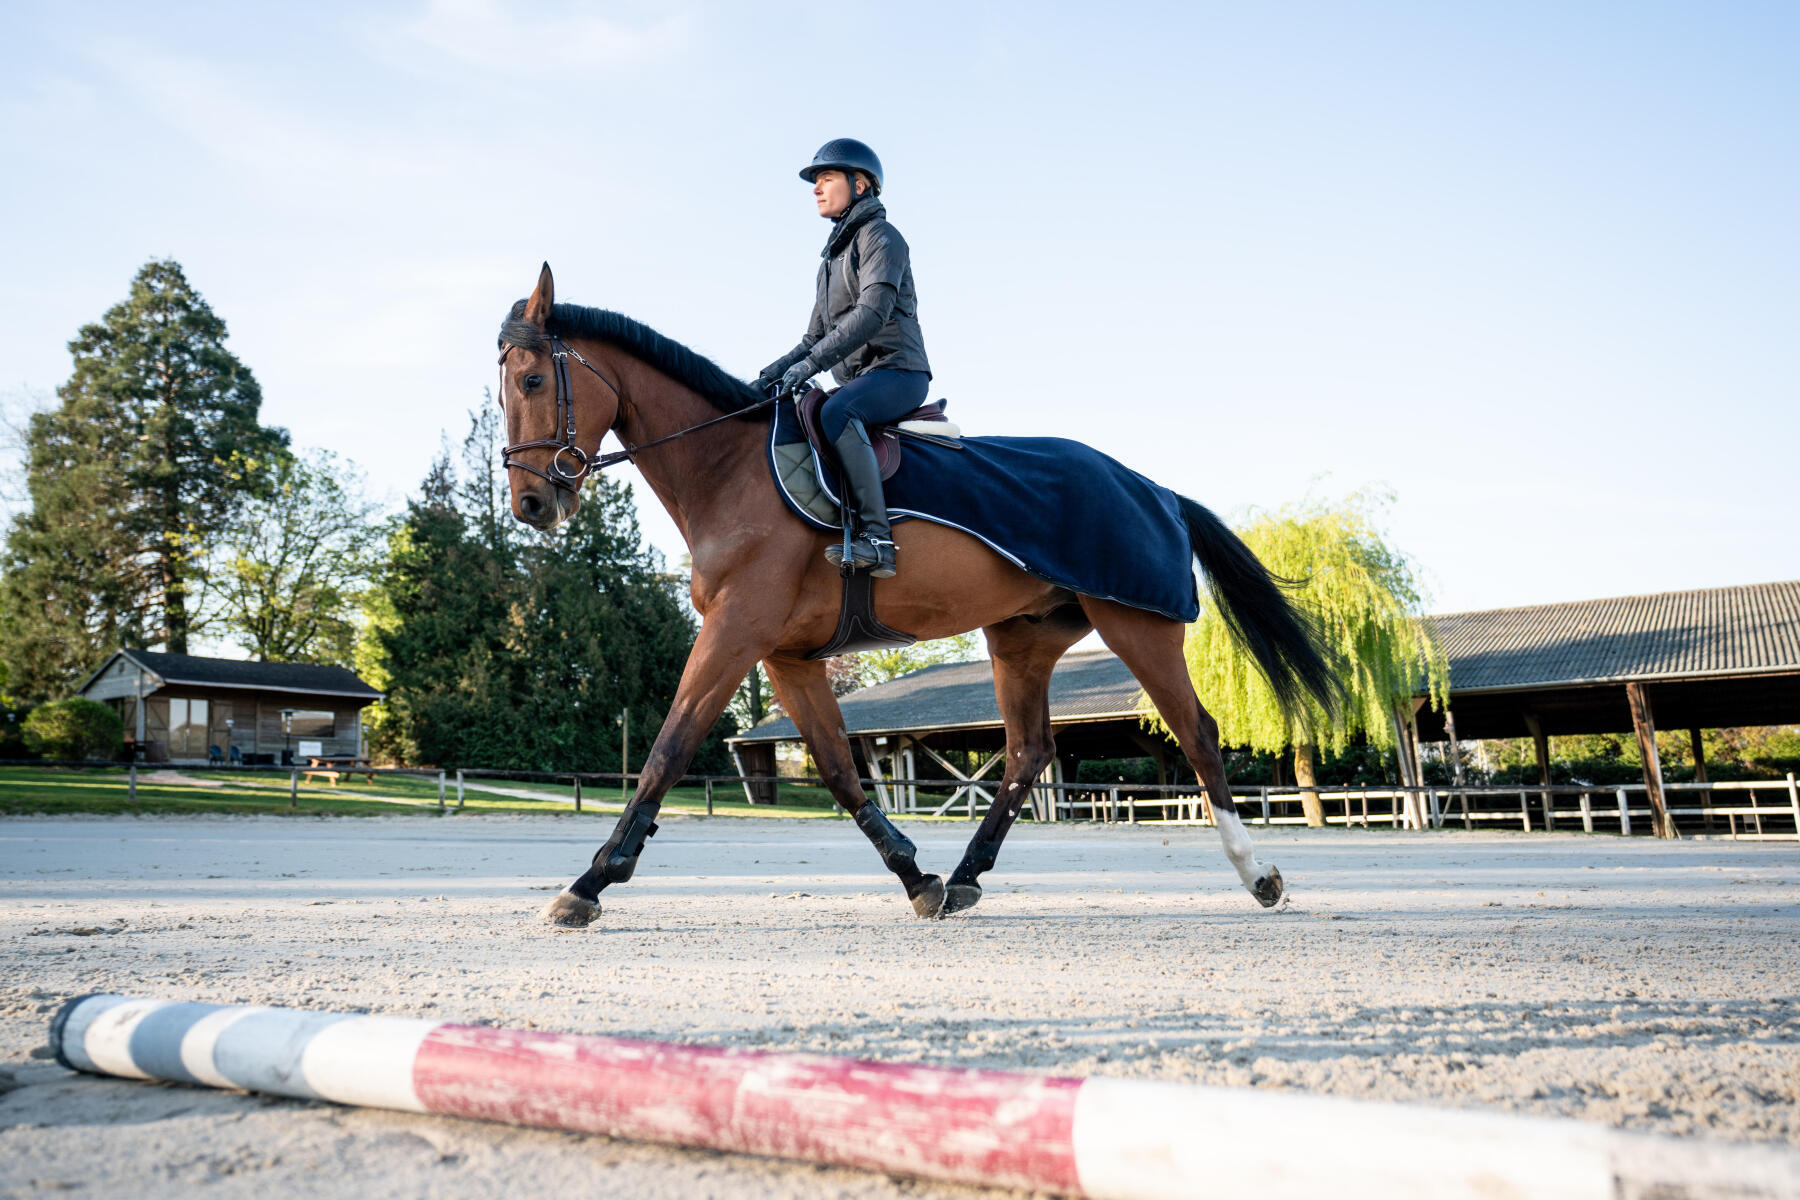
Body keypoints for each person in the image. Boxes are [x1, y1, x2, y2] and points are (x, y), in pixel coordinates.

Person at [757, 138, 930, 579]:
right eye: (816, 181)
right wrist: (770, 375)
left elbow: (872, 313)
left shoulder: (882, 237)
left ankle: (878, 541)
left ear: (860, 184)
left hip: (898, 372)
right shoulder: (830, 261)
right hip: (861, 377)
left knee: (837, 412)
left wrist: (810, 366)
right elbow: (814, 336)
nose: (816, 188)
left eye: (826, 178)